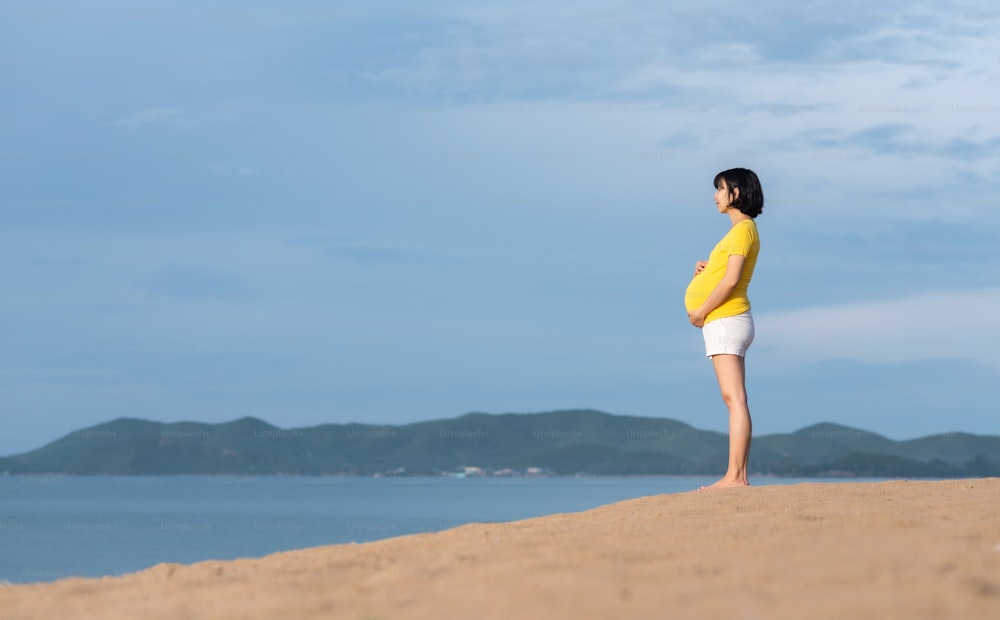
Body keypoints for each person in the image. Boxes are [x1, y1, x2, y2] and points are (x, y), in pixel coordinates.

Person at [684, 168, 763, 489]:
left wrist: (701, 311)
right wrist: (704, 272)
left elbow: (732, 281)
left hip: (726, 319)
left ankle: (736, 477)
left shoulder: (743, 229)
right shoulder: (736, 234)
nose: (715, 195)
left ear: (737, 193)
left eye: (720, 188)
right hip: (727, 320)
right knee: (733, 398)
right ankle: (736, 475)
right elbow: (724, 273)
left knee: (735, 399)